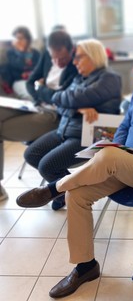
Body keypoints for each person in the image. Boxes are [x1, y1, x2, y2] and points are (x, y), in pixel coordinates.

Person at [16, 37, 133, 298]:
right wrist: (118, 145)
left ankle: (52, 188)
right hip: (125, 163)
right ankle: (86, 266)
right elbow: (123, 127)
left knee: (108, 157)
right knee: (76, 194)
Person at [23, 38, 122, 210]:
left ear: (93, 57)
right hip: (66, 130)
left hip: (90, 136)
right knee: (31, 154)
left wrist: (71, 103)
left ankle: (71, 193)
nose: (74, 62)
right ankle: (64, 193)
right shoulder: (79, 77)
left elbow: (67, 98)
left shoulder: (110, 78)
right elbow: (62, 105)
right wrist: (79, 109)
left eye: (79, 57)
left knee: (47, 166)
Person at [0, 30, 77, 201]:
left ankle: (67, 189)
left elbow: (63, 98)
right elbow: (30, 82)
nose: (58, 62)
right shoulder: (46, 56)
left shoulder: (76, 65)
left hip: (55, 114)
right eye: (54, 58)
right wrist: (37, 98)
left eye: (62, 59)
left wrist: (41, 89)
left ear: (71, 51)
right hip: (37, 105)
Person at [0, 26, 40, 98]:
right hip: (19, 81)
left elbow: (39, 69)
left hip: (35, 80)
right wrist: (21, 52)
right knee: (30, 96)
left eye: (21, 38)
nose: (18, 40)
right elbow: (19, 65)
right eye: (16, 38)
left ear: (28, 40)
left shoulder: (35, 53)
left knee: (45, 94)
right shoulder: (11, 53)